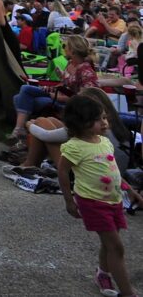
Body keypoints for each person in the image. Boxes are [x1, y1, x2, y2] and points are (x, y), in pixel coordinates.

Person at [57, 94, 143, 297]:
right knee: (117, 247)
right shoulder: (75, 147)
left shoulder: (105, 142)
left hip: (114, 200)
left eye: (104, 117)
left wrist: (129, 190)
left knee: (109, 244)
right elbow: (62, 171)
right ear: (81, 123)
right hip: (93, 203)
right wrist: (69, 201)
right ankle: (128, 293)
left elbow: (112, 172)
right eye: (98, 119)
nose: (105, 123)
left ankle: (103, 274)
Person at [10, 34, 98, 145]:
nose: (63, 48)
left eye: (65, 46)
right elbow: (65, 84)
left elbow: (86, 99)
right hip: (57, 95)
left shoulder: (86, 71)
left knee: (19, 98)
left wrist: (60, 97)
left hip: (66, 104)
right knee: (25, 90)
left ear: (73, 51)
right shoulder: (70, 64)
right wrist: (52, 87)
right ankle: (22, 131)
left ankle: (22, 131)